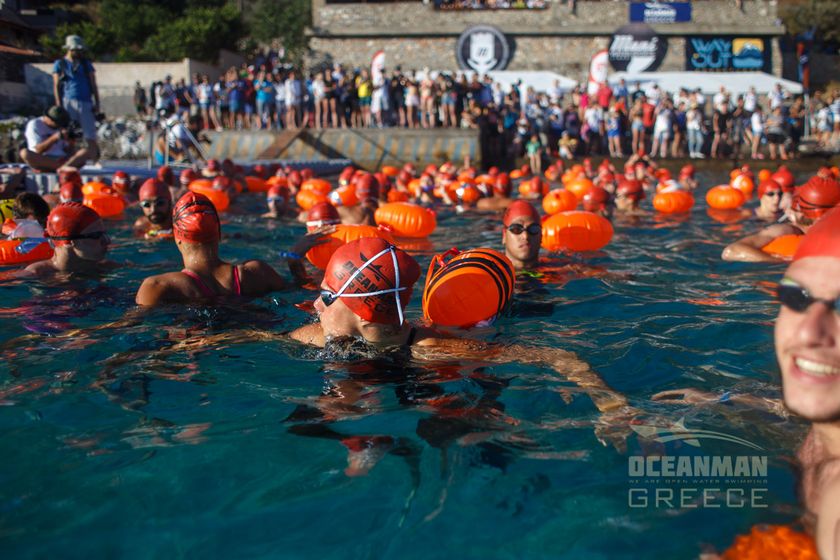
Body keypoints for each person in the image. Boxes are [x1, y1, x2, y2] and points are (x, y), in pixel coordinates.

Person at [287, 237, 629, 425]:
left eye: (328, 296)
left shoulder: (433, 348)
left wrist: (611, 402)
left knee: (457, 424)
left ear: (363, 314)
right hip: (376, 389)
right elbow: (244, 339)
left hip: (425, 383)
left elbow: (554, 355)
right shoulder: (311, 335)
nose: (316, 304)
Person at [135, 192, 323, 306]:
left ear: (177, 237)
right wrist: (294, 258)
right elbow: (302, 292)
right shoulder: (257, 273)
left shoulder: (158, 287)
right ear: (219, 232)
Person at [722, 179, 840, 262]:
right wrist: (782, 260)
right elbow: (731, 251)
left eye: (779, 194)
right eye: (771, 194)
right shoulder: (786, 230)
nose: (776, 198)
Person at [17, 202, 112, 278]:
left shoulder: (103, 267)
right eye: (96, 235)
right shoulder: (36, 274)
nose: (107, 241)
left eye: (105, 234)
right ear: (69, 240)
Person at [52, 35, 100, 162]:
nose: (79, 53)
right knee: (71, 134)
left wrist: (97, 103)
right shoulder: (60, 64)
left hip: (85, 101)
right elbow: (56, 85)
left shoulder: (85, 64)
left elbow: (93, 83)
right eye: (76, 50)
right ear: (69, 49)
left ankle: (95, 160)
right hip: (68, 102)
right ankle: (71, 160)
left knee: (90, 134)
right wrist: (59, 104)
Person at [19, 106, 91, 172]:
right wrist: (54, 138)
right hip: (44, 159)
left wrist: (71, 142)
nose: (60, 125)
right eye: (58, 123)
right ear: (49, 119)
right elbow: (37, 150)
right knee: (25, 153)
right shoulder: (35, 124)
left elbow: (68, 151)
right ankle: (62, 168)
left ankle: (63, 168)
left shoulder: (62, 127)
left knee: (85, 151)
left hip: (62, 159)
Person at [501, 200, 542, 271]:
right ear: (504, 235)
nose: (526, 236)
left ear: (541, 235)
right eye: (516, 229)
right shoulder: (491, 271)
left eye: (533, 229)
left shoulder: (559, 269)